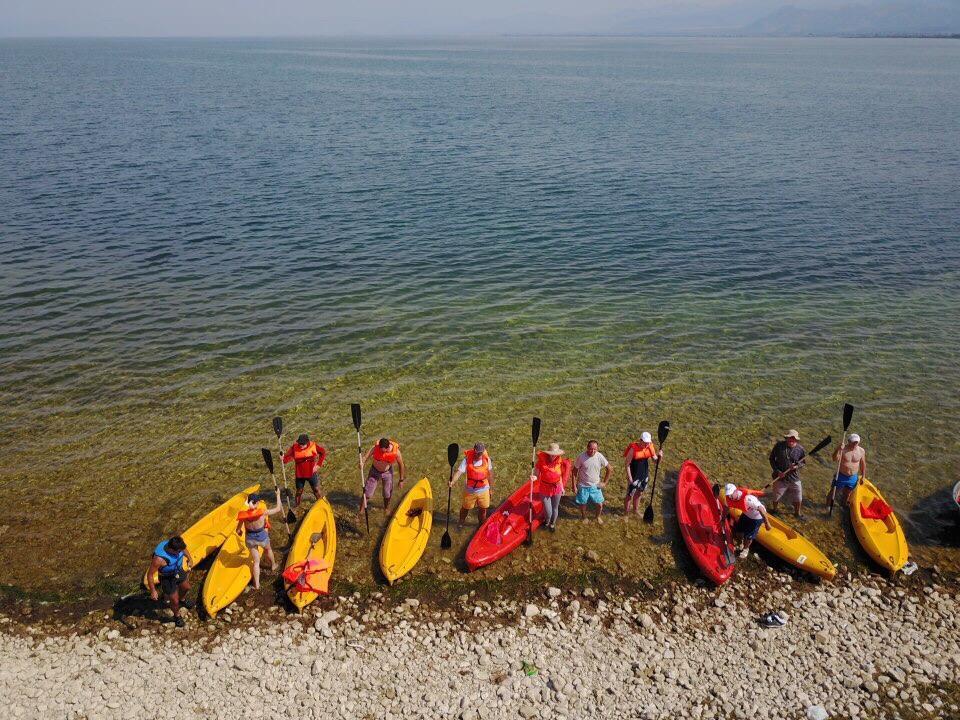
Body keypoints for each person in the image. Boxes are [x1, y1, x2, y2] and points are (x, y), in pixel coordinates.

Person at [236, 489, 284, 590]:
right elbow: (278, 508)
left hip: (250, 539)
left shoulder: (243, 516)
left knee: (256, 562)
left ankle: (257, 585)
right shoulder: (263, 513)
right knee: (268, 550)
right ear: (257, 503)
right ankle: (273, 565)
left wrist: (240, 533)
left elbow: (238, 530)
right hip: (262, 537)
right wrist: (278, 495)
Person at [146, 535, 195, 628]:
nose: (181, 552)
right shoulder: (159, 560)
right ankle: (177, 616)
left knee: (186, 587)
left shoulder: (176, 545)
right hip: (167, 578)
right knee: (174, 601)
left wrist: (189, 558)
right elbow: (150, 575)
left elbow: (184, 549)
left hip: (178, 571)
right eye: (179, 551)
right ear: (172, 550)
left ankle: (182, 600)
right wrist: (153, 591)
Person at [450, 442, 494, 528]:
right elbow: (459, 472)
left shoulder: (487, 459)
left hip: (484, 488)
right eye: (478, 452)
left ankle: (481, 525)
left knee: (483, 509)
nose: (479, 454)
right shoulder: (467, 459)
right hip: (470, 490)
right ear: (474, 450)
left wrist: (491, 489)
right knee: (465, 508)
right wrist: (452, 481)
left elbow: (490, 475)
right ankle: (461, 522)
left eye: (481, 452)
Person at [530, 442, 572, 531]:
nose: (553, 456)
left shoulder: (559, 462)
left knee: (555, 508)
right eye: (551, 455)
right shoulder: (541, 462)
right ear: (548, 454)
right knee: (548, 511)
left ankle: (552, 524)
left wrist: (562, 487)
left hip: (557, 487)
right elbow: (536, 474)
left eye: (555, 455)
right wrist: (534, 477)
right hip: (544, 488)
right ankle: (547, 521)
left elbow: (559, 475)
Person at [768, 429, 807, 519]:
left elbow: (803, 462)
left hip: (794, 478)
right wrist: (777, 471)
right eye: (790, 438)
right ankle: (774, 510)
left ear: (796, 440)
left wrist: (796, 466)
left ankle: (797, 514)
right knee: (776, 497)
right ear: (786, 438)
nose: (791, 440)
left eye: (793, 439)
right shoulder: (779, 446)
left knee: (798, 498)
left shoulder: (800, 449)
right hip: (779, 477)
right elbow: (771, 459)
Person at [623, 431, 663, 516]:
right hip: (634, 476)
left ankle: (635, 510)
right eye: (645, 443)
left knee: (640, 492)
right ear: (640, 440)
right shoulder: (633, 449)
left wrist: (660, 457)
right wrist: (629, 477)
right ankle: (626, 513)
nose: (646, 445)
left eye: (648, 443)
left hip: (644, 475)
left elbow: (656, 461)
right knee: (630, 494)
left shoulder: (649, 447)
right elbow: (627, 464)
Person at [282, 433, 328, 507]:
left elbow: (323, 452)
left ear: (307, 442)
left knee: (316, 490)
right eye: (300, 443)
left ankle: (321, 504)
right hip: (300, 475)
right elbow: (286, 459)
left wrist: (318, 465)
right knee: (299, 491)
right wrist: (282, 458)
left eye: (303, 444)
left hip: (311, 474)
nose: (301, 445)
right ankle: (297, 505)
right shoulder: (294, 447)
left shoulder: (313, 446)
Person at [361, 437, 406, 511]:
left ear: (388, 447)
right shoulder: (375, 448)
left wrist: (401, 480)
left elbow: (401, 465)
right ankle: (361, 512)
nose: (382, 453)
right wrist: (362, 463)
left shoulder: (396, 452)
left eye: (383, 451)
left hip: (387, 473)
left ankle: (386, 509)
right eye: (380, 450)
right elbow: (365, 457)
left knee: (387, 494)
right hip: (374, 471)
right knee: (367, 493)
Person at [573, 440, 610, 523]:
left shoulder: (599, 456)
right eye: (591, 449)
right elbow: (574, 471)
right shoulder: (581, 457)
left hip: (595, 486)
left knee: (599, 504)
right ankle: (584, 517)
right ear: (587, 448)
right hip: (583, 486)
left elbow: (609, 469)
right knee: (583, 504)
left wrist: (604, 483)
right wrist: (574, 485)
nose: (593, 451)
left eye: (595, 449)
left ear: (597, 449)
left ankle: (597, 517)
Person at [730, 491, 772, 559]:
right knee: (739, 531)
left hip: (756, 518)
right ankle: (740, 544)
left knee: (748, 537)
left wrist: (767, 523)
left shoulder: (749, 500)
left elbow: (761, 509)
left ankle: (746, 549)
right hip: (746, 514)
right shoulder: (731, 497)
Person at [829, 433, 866, 508]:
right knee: (833, 493)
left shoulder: (861, 451)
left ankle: (843, 505)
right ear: (849, 441)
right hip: (841, 476)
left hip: (853, 477)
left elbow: (863, 463)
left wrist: (863, 476)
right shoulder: (843, 449)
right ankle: (827, 506)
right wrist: (838, 449)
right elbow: (834, 459)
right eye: (853, 442)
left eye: (857, 442)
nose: (855, 443)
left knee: (847, 494)